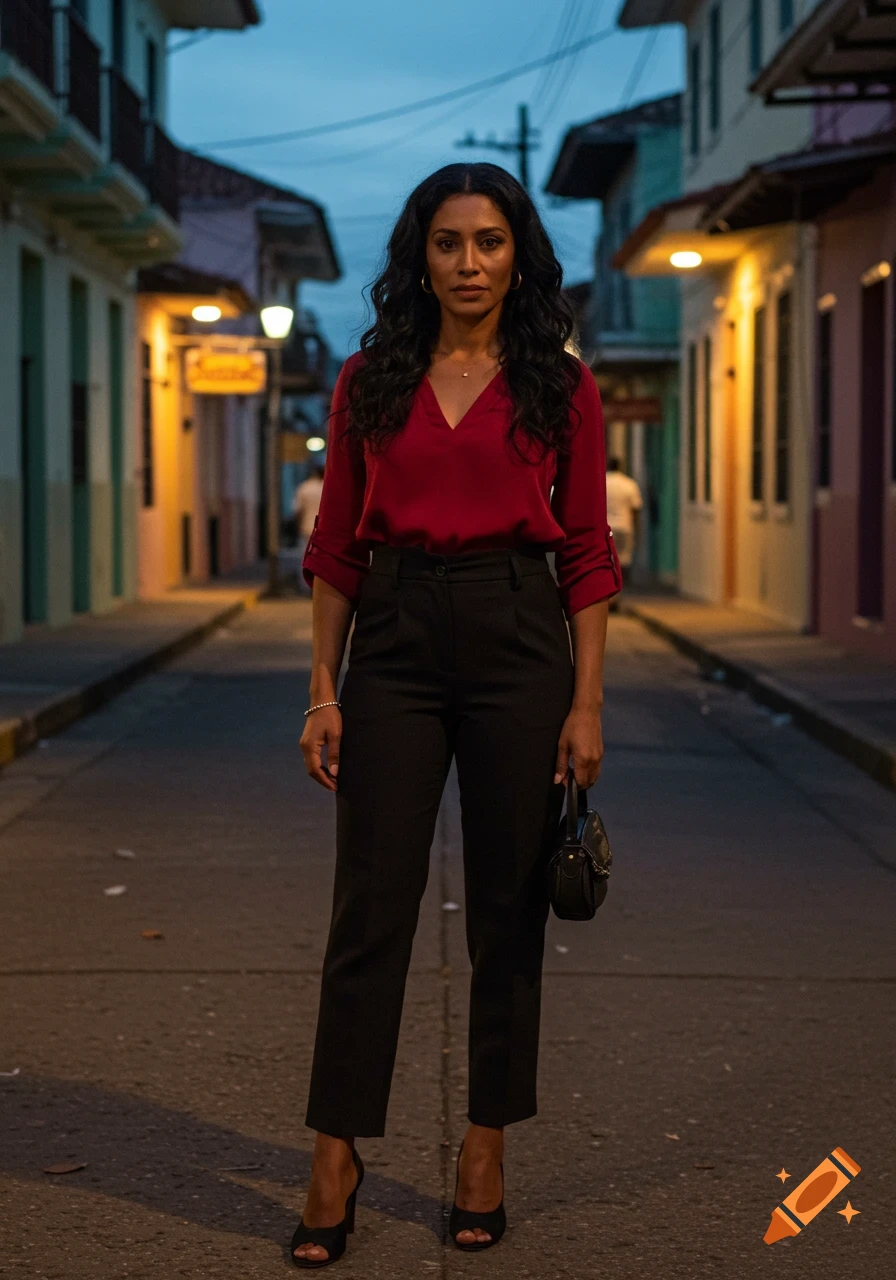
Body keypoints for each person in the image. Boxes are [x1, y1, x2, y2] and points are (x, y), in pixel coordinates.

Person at [293, 162, 622, 1267]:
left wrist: (584, 700)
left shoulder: (558, 387)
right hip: (391, 634)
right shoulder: (368, 380)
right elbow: (335, 546)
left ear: (517, 252)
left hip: (519, 636)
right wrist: (323, 688)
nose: (469, 263)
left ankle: (484, 1142)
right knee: (368, 906)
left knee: (506, 908)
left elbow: (584, 549)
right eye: (447, 243)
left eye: (488, 241)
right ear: (419, 256)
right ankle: (334, 1149)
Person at [605, 456, 643, 590]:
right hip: (625, 527)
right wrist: (637, 529)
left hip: (607, 528)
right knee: (624, 560)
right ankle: (621, 590)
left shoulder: (602, 482)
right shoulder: (629, 484)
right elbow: (636, 509)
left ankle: (610, 592)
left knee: (607, 561)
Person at [293, 464, 325, 592]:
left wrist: (297, 526)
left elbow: (298, 511)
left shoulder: (304, 488)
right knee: (322, 560)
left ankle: (305, 587)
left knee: (305, 558)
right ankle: (321, 589)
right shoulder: (326, 487)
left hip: (307, 527)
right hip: (323, 529)